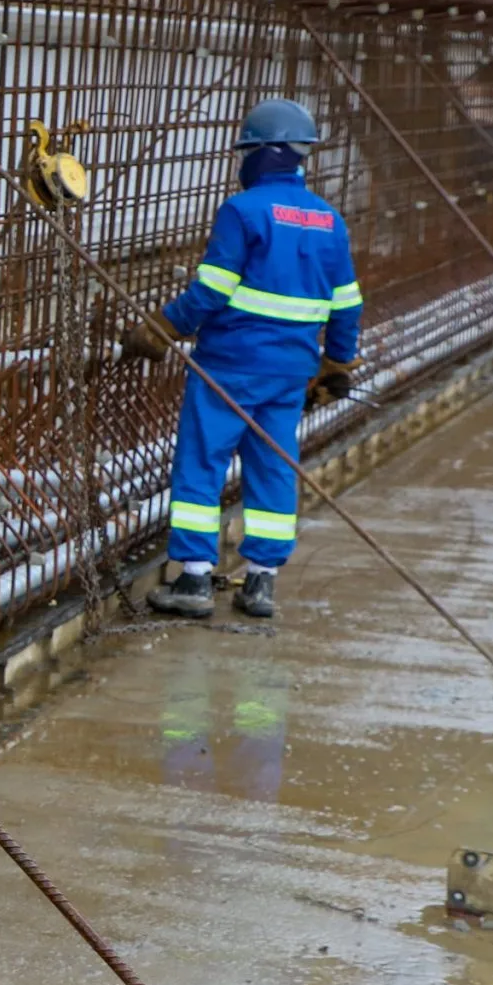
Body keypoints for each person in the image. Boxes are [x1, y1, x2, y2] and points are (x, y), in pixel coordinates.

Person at [121, 98, 361, 622]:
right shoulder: (329, 220)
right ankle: (261, 584)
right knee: (273, 470)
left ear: (263, 153)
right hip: (291, 372)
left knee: (201, 466)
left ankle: (193, 580)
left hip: (230, 365)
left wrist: (163, 326)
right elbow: (347, 304)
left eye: (246, 151)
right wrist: (338, 365)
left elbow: (211, 290)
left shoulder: (243, 210)